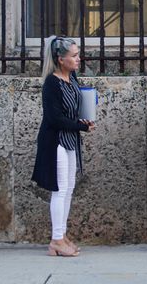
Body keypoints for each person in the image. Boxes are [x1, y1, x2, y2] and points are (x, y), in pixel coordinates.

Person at [32, 36, 94, 257]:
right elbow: (54, 118)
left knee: (68, 189)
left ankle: (62, 234)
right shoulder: (52, 83)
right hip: (56, 141)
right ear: (61, 59)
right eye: (74, 56)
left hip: (70, 140)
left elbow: (74, 109)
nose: (78, 59)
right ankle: (56, 240)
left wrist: (84, 120)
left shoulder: (72, 78)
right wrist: (80, 126)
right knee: (59, 190)